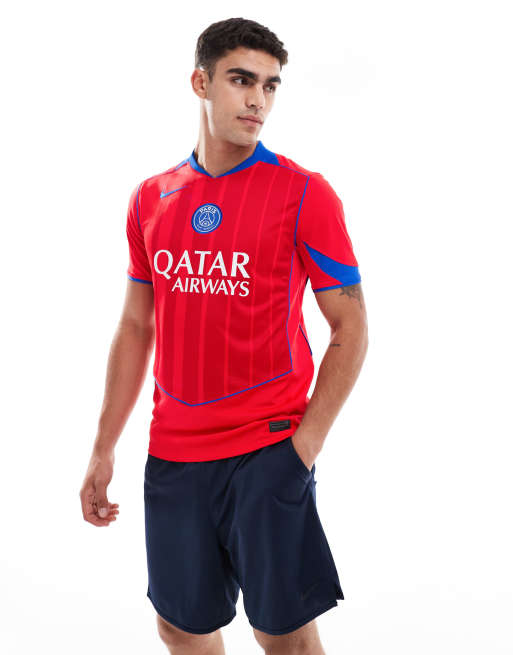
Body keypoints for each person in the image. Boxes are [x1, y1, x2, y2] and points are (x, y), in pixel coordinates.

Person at [79, 16, 368, 655]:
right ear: (201, 83)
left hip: (267, 450)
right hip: (174, 454)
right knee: (181, 627)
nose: (258, 99)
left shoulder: (304, 193)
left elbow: (350, 326)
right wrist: (103, 447)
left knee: (284, 635)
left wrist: (303, 448)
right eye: (242, 80)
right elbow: (136, 325)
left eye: (270, 85)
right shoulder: (151, 198)